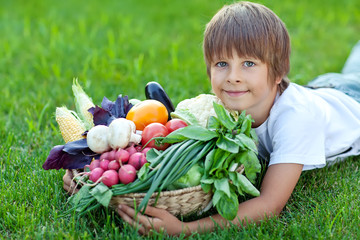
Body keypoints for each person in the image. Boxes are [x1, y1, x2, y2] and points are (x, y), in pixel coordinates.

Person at [63, 1, 360, 236]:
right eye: (221, 63)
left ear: (278, 71)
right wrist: (91, 174)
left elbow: (271, 204)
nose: (233, 77)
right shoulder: (227, 102)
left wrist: (185, 230)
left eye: (248, 63)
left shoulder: (297, 120)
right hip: (323, 88)